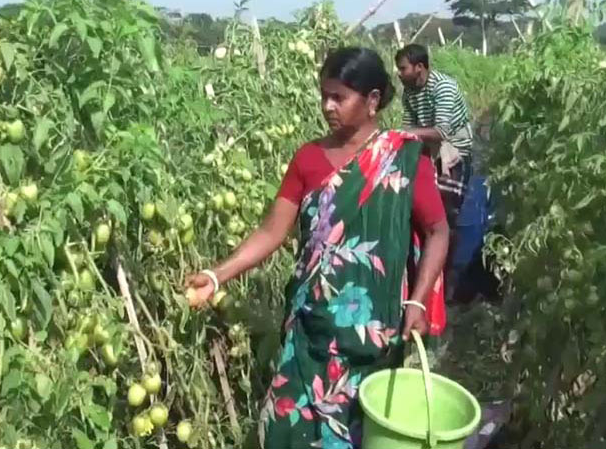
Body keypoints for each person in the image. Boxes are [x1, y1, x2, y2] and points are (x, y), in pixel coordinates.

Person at [185, 47, 449, 449]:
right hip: (310, 331)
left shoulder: (403, 157)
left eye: (338, 97)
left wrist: (417, 301)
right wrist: (215, 275)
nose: (327, 106)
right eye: (324, 95)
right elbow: (271, 232)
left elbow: (437, 231)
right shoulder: (308, 159)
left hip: (373, 338)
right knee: (285, 431)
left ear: (373, 100)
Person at [394, 44, 473, 298]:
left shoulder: (443, 88)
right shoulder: (409, 91)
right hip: (428, 148)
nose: (399, 73)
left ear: (419, 67)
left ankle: (448, 279)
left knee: (446, 215)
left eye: (403, 68)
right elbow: (409, 126)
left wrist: (399, 134)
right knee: (425, 211)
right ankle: (428, 271)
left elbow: (441, 132)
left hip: (454, 149)